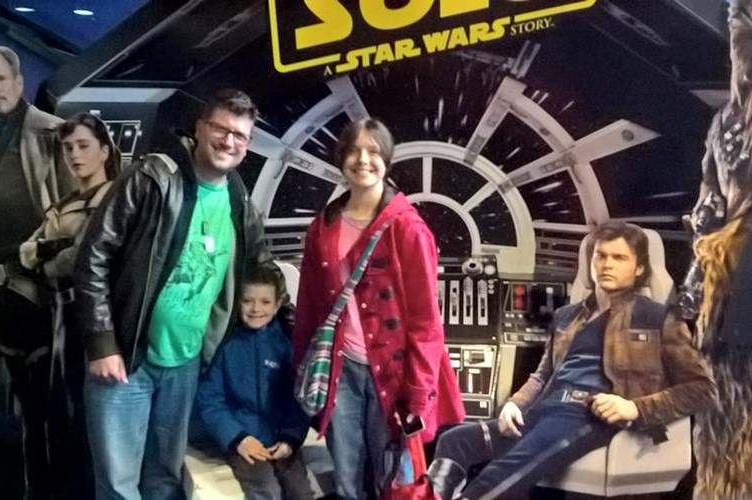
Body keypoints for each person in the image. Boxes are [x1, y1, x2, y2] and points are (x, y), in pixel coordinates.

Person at [74, 89, 286, 500]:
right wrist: (102, 343)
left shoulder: (238, 197)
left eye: (240, 135)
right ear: (200, 128)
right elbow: (92, 257)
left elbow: (262, 266)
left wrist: (299, 328)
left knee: (165, 480)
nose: (228, 141)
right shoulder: (153, 177)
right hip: (127, 358)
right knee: (118, 487)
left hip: (186, 364)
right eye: (221, 129)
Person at [427, 222, 717, 500]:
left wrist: (635, 408)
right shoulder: (566, 316)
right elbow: (543, 375)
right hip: (543, 411)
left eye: (619, 258)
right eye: (600, 256)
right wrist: (515, 404)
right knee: (454, 441)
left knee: (504, 470)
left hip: (588, 414)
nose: (607, 264)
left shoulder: (657, 318)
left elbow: (702, 389)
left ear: (639, 268)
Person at [292, 118, 464, 500]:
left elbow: (425, 321)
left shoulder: (408, 228)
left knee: (394, 480)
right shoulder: (323, 226)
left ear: (386, 159)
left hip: (394, 375)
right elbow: (309, 307)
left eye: (372, 151)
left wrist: (417, 393)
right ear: (341, 157)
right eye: (353, 151)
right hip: (341, 369)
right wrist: (303, 366)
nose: (362, 160)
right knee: (346, 478)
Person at [0, 45, 75, 499]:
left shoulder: (55, 136)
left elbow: (76, 221)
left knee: (60, 421)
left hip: (52, 300)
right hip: (3, 304)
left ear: (19, 81)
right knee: (30, 420)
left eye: (1, 78)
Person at [19, 112, 119, 500]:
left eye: (83, 146)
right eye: (68, 148)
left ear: (104, 151)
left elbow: (81, 260)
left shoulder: (111, 199)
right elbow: (26, 252)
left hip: (92, 318)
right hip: (60, 317)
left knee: (89, 420)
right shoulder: (65, 203)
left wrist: (49, 253)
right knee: (61, 417)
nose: (75, 155)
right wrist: (52, 249)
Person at [197, 266, 314, 500]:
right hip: (243, 439)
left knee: (300, 492)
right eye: (247, 301)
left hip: (281, 439)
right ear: (236, 302)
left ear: (277, 305)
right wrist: (238, 438)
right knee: (266, 490)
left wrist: (290, 439)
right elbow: (210, 401)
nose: (256, 309)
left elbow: (298, 399)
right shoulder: (223, 345)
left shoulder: (287, 343)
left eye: (265, 302)